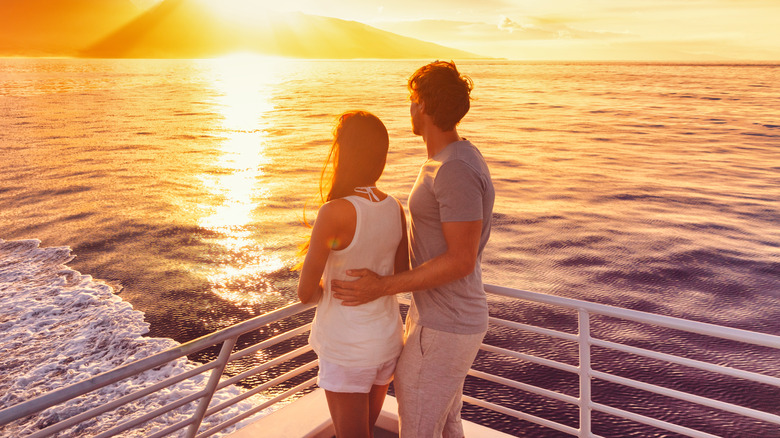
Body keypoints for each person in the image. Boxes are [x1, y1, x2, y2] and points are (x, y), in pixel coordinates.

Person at [331, 61, 495, 437]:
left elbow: (461, 260)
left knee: (418, 428)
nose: (409, 109)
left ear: (422, 105)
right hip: (437, 318)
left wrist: (381, 286)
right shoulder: (449, 160)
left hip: (446, 325)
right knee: (447, 424)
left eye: (411, 100)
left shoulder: (454, 169)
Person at [296, 110, 410, 438]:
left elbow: (305, 293)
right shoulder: (394, 207)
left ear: (343, 153)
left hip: (348, 348)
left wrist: (327, 288)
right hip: (386, 342)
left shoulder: (334, 213)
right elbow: (399, 274)